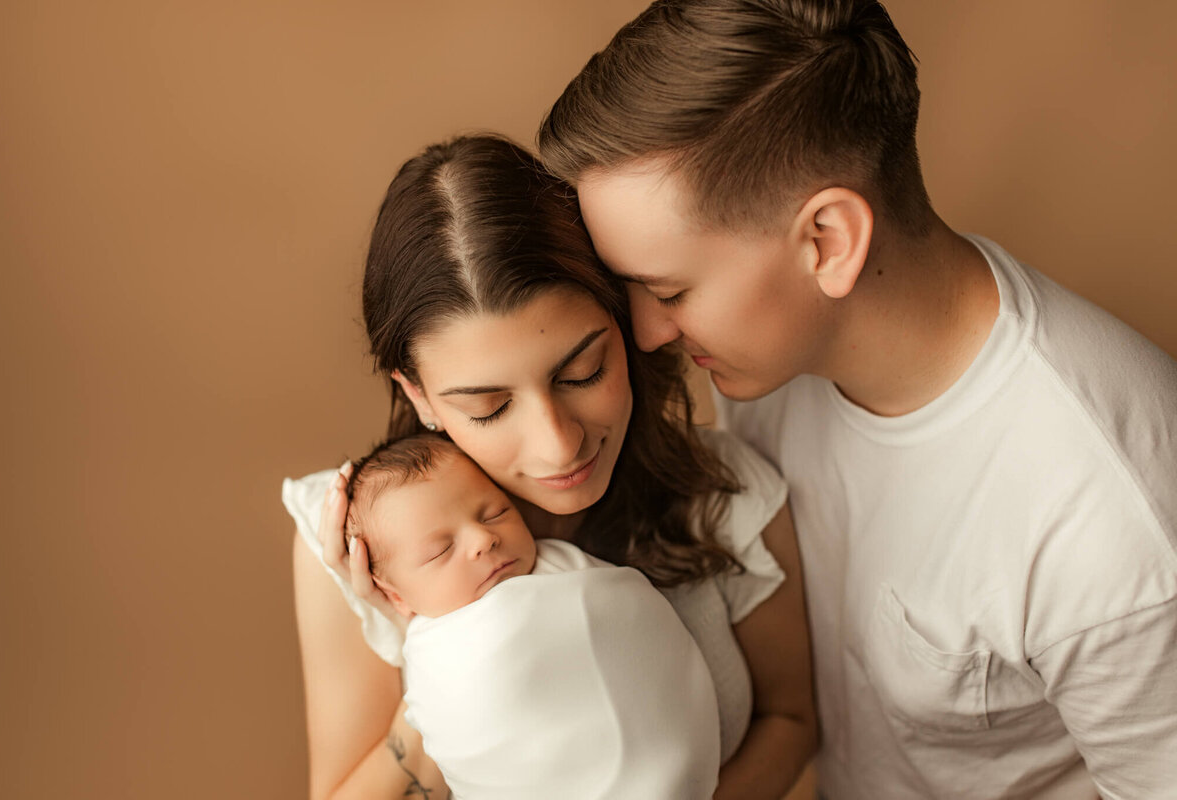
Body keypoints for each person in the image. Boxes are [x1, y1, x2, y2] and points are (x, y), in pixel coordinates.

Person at [537, 1, 1177, 799]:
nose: (646, 330)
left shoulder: (1115, 526)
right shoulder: (766, 359)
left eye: (669, 288)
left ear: (828, 241)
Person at [285, 134, 817, 800]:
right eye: (488, 407)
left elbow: (791, 720)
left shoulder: (723, 496)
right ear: (417, 394)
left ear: (624, 326)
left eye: (583, 371)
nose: (558, 445)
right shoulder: (351, 548)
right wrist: (431, 658)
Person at [339, 432, 721, 799]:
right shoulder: (433, 653)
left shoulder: (566, 567)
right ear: (395, 595)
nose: (482, 539)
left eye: (494, 513)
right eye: (440, 551)